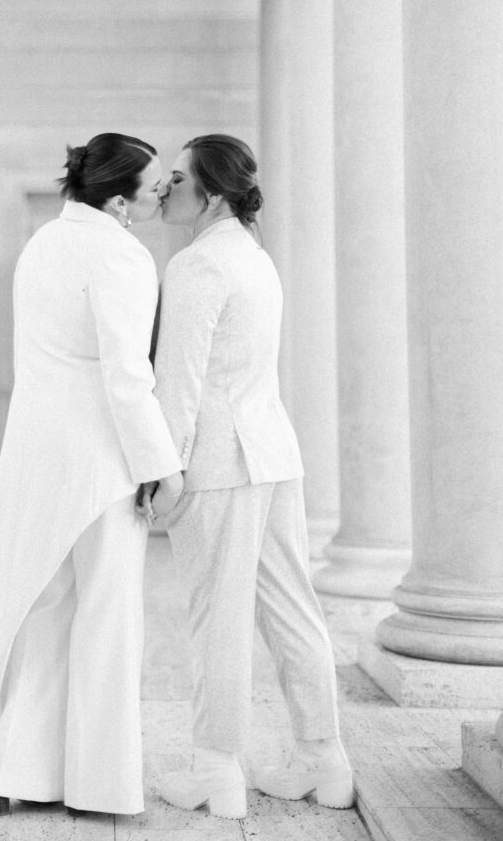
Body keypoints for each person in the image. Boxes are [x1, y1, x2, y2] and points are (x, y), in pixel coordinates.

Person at [0, 133, 184, 818]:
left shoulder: (43, 243)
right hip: (102, 456)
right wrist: (160, 465)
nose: (160, 193)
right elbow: (125, 373)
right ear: (119, 200)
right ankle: (101, 785)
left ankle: (16, 773)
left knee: (46, 612)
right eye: (152, 186)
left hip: (35, 448)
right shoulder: (121, 253)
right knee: (109, 617)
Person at [143, 134, 353, 819]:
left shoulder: (198, 265)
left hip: (220, 461)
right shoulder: (255, 259)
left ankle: (216, 770)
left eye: (177, 179)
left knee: (217, 619)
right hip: (272, 454)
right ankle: (325, 761)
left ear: (214, 193)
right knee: (294, 610)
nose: (164, 188)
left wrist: (162, 467)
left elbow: (181, 381)